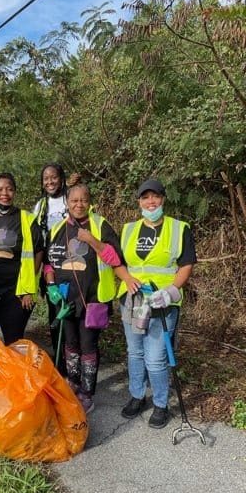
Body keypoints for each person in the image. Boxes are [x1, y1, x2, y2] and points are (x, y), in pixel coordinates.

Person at [116, 178, 197, 429]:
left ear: (163, 199)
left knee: (155, 357)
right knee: (135, 352)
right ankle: (137, 395)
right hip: (133, 301)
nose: (150, 202)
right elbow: (118, 263)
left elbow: (186, 264)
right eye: (145, 197)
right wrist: (127, 279)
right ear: (139, 202)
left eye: (155, 197)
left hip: (162, 303)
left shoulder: (178, 228)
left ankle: (161, 404)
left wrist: (172, 290)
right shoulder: (129, 229)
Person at [43, 176, 124, 413]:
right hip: (65, 299)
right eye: (74, 200)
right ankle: (72, 383)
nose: (79, 204)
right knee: (70, 344)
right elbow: (49, 263)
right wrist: (50, 285)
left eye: (84, 200)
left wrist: (92, 241)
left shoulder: (100, 225)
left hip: (93, 299)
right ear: (67, 202)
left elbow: (115, 259)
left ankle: (88, 393)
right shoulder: (58, 228)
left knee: (88, 346)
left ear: (90, 203)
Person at [0, 172, 44, 386]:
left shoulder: (27, 219)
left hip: (15, 293)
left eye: (9, 189)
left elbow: (38, 251)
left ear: (14, 191)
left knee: (14, 340)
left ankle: (11, 381)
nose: (4, 193)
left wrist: (28, 288)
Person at [33, 162, 69, 372]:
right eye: (46, 179)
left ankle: (73, 356)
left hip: (72, 264)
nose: (50, 182)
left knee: (72, 312)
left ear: (61, 178)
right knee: (55, 313)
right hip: (50, 267)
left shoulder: (70, 200)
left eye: (53, 177)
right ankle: (59, 361)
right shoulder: (41, 206)